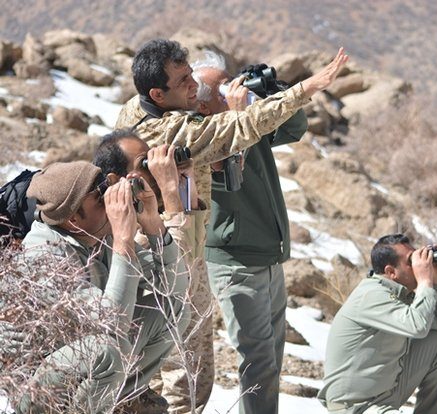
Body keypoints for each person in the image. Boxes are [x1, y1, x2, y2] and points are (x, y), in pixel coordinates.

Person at [16, 161, 189, 413]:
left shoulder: (97, 236)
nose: (109, 200)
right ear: (73, 218)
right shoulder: (43, 254)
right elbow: (112, 324)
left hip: (89, 365)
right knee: (110, 350)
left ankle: (117, 400)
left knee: (173, 311)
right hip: (37, 390)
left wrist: (154, 226)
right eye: (99, 197)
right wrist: (122, 242)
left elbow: (175, 287)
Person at [192, 51, 307, 414]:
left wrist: (274, 89)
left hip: (268, 255)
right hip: (236, 260)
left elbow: (294, 127)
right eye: (221, 87)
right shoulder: (200, 136)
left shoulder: (246, 124)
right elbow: (227, 179)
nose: (232, 89)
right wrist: (237, 117)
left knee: (271, 357)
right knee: (256, 359)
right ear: (200, 102)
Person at [115, 38, 348, 207]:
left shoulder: (138, 104)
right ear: (157, 94)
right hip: (171, 250)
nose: (194, 86)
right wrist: (309, 87)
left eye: (191, 75)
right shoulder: (168, 132)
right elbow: (242, 126)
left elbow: (292, 129)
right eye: (184, 81)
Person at [93, 129, 214, 413]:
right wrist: (171, 192)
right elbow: (179, 275)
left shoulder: (145, 211)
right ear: (115, 181)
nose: (155, 168)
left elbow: (194, 248)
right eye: (143, 164)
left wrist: (186, 183)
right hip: (136, 368)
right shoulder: (119, 227)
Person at [318, 234, 437, 414]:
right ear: (391, 272)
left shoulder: (401, 293)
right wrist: (425, 281)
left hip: (385, 395)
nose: (419, 265)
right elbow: (418, 326)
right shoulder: (371, 294)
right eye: (411, 261)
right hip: (355, 406)